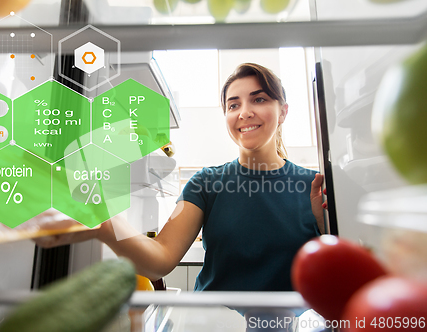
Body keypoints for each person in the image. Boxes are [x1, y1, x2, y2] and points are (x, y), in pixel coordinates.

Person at [35, 63, 326, 292]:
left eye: (259, 99)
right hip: (212, 325)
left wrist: (326, 229)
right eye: (234, 105)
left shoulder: (314, 187)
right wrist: (105, 223)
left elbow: (336, 271)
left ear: (283, 111)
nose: (245, 113)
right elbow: (160, 258)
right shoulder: (206, 183)